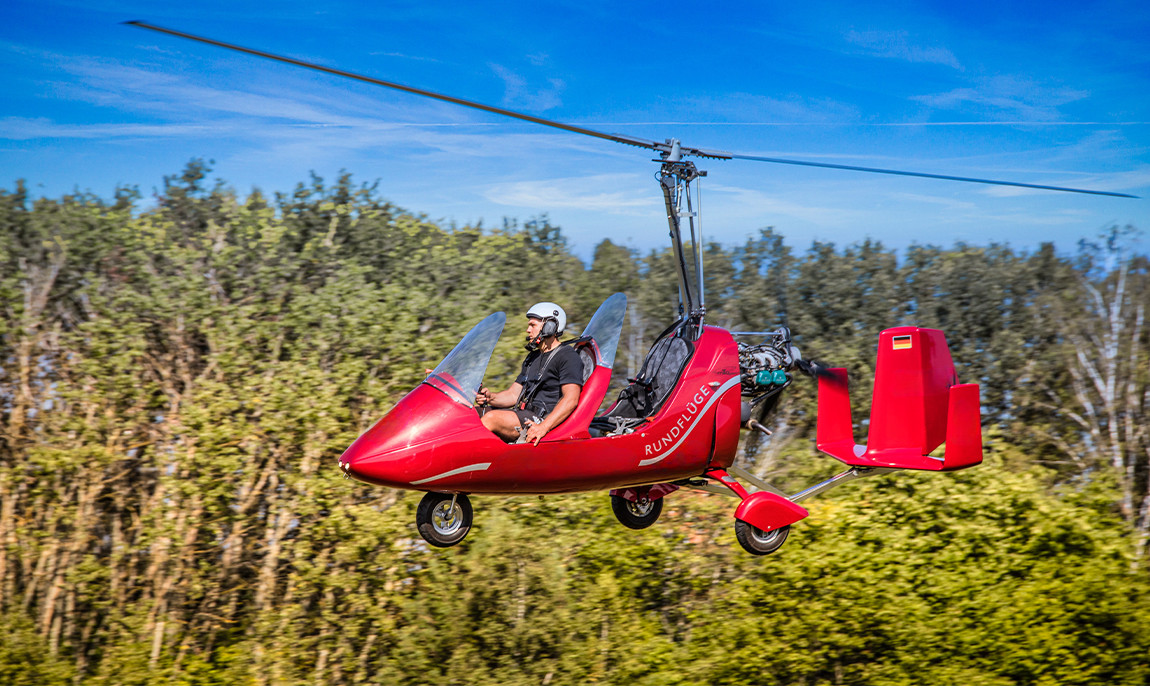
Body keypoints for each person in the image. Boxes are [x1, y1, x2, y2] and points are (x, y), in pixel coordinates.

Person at [475, 302, 583, 444]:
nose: (528, 330)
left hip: (542, 419)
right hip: (523, 414)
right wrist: (490, 398)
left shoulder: (567, 356)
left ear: (549, 326)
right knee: (470, 414)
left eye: (532, 325)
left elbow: (571, 399)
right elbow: (513, 395)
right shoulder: (532, 357)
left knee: (491, 419)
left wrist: (543, 427)